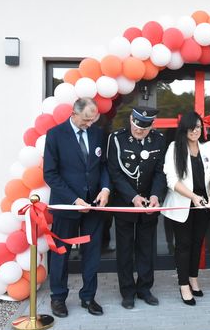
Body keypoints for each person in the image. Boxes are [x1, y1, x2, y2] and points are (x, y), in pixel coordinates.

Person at [43, 98, 110, 317]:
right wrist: (74, 200)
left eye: (92, 120)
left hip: (94, 206)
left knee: (92, 253)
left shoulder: (97, 133)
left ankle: (88, 296)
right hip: (66, 205)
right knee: (61, 253)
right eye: (85, 120)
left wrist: (105, 189)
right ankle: (58, 297)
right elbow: (50, 174)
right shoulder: (55, 135)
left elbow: (103, 166)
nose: (89, 124)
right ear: (73, 113)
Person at [107, 107, 167, 309]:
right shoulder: (117, 139)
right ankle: (127, 291)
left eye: (144, 128)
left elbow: (160, 172)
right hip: (125, 203)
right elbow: (115, 173)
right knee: (125, 250)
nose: (139, 131)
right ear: (131, 119)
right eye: (136, 126)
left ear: (152, 125)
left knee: (146, 248)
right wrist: (133, 197)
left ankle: (145, 288)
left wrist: (155, 195)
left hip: (149, 203)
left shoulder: (158, 140)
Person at [161, 112, 210, 306]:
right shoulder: (174, 148)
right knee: (183, 245)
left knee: (197, 243)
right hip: (183, 203)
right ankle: (183, 284)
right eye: (191, 128)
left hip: (204, 204)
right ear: (184, 129)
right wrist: (193, 197)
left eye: (198, 127)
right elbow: (172, 180)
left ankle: (193, 278)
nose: (195, 131)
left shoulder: (208, 147)